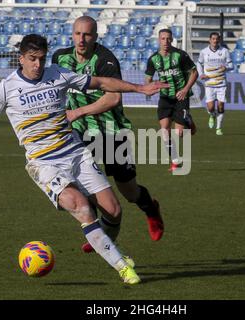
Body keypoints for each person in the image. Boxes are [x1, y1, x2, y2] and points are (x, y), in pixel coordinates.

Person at [0, 34, 168, 284]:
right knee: (80, 206)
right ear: (21, 58)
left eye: (41, 59)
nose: (37, 65)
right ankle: (123, 267)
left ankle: (110, 248)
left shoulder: (58, 74)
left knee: (113, 211)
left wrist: (139, 88)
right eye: (32, 59)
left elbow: (102, 82)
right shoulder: (7, 87)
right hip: (43, 162)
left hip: (75, 153)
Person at [51, 16, 165, 254]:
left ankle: (151, 209)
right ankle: (99, 231)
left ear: (96, 36)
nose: (82, 39)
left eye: (88, 35)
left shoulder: (105, 60)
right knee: (81, 182)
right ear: (72, 34)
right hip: (80, 132)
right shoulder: (59, 58)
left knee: (129, 191)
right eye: (78, 34)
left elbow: (113, 97)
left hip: (111, 131)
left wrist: (78, 112)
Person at [145, 29, 199, 172]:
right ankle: (175, 161)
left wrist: (186, 89)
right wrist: (150, 87)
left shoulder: (180, 55)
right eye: (163, 39)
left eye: (168, 39)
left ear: (172, 39)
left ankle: (188, 120)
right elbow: (148, 78)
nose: (166, 42)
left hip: (181, 96)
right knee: (164, 131)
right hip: (165, 98)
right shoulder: (153, 59)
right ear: (158, 40)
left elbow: (194, 72)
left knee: (179, 134)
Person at [196, 32, 233, 135]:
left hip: (221, 83)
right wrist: (201, 74)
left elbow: (231, 65)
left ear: (219, 40)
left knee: (221, 106)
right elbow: (199, 63)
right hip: (209, 82)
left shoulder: (225, 51)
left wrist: (226, 67)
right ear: (210, 40)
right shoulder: (204, 52)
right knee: (211, 107)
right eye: (213, 39)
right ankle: (212, 115)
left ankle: (218, 128)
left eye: (217, 39)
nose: (215, 41)